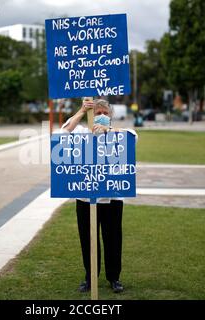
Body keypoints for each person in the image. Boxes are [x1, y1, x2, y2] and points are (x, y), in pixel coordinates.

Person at [60, 99, 138, 293]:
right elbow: (62, 133)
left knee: (113, 238)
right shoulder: (80, 133)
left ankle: (114, 278)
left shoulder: (118, 133)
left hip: (112, 197)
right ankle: (90, 278)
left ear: (110, 116)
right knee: (88, 239)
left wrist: (108, 132)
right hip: (85, 197)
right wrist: (81, 111)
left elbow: (133, 137)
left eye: (104, 113)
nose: (101, 116)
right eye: (97, 113)